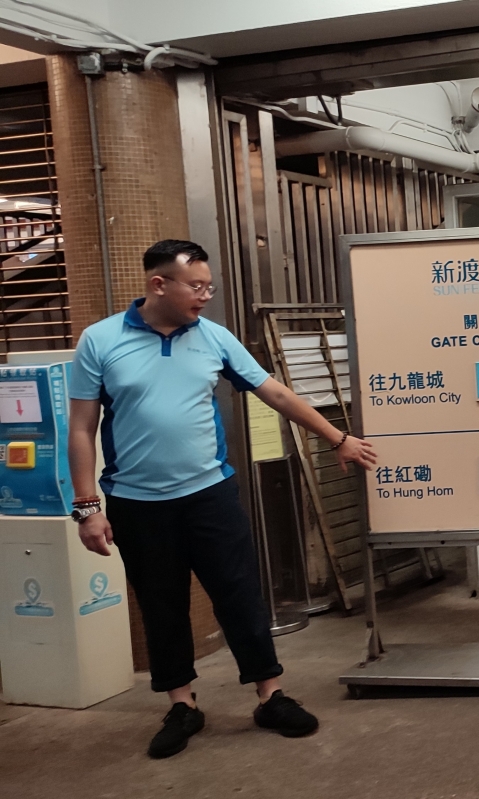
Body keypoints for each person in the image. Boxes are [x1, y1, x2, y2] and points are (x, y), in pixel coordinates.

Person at [67, 239, 379, 759]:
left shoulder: (214, 337)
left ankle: (270, 695)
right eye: (196, 286)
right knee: (161, 604)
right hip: (136, 503)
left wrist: (337, 438)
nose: (205, 295)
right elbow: (81, 427)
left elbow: (274, 392)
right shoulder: (101, 340)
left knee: (239, 595)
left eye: (209, 287)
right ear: (159, 284)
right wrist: (87, 507)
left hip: (209, 494)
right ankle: (182, 706)